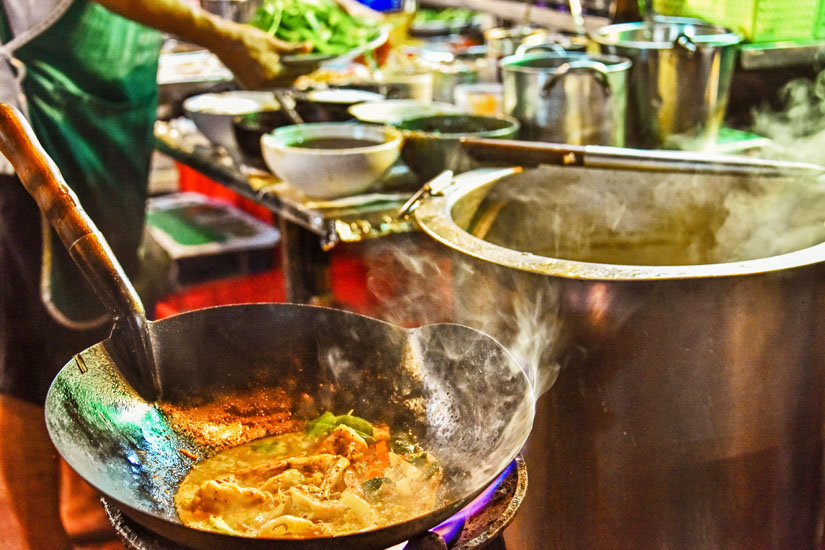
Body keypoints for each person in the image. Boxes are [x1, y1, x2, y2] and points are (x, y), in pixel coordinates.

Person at [0, 1, 314, 548]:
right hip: (28, 128)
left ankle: (83, 500)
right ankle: (41, 538)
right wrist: (223, 37)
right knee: (24, 359)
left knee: (91, 333)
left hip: (101, 124)